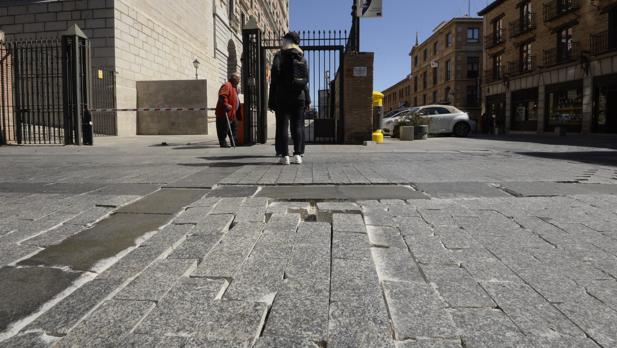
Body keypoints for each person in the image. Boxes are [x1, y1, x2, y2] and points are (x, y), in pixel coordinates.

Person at [268, 32, 311, 165]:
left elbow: (274, 78)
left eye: (283, 40)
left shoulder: (280, 55)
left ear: (287, 41)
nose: (282, 42)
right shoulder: (301, 57)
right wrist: (307, 99)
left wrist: (271, 99)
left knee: (282, 126)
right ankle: (298, 155)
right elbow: (305, 81)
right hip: (299, 97)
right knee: (297, 126)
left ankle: (285, 156)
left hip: (282, 96)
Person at [215, 73, 240, 148]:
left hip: (232, 113)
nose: (239, 80)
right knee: (223, 129)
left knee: (233, 129)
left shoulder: (233, 87)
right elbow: (222, 96)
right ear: (234, 78)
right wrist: (226, 105)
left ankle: (234, 142)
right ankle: (223, 143)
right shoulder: (227, 85)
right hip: (224, 113)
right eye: (238, 78)